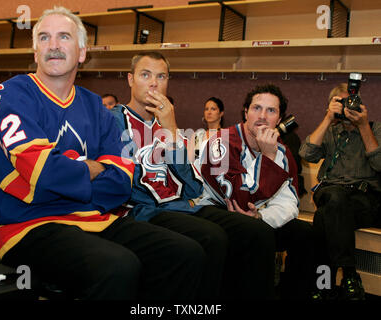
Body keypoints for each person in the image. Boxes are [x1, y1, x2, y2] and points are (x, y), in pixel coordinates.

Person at [0, 7, 207, 300]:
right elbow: (43, 172)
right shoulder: (11, 94)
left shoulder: (95, 106)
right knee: (118, 266)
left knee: (185, 253)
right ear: (35, 52)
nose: (54, 45)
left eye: (64, 37)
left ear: (82, 52)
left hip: (93, 218)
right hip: (27, 226)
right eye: (44, 38)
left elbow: (121, 182)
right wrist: (93, 169)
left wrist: (70, 176)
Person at [110, 51, 277, 300]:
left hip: (181, 206)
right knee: (212, 238)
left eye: (161, 76)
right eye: (145, 75)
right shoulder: (112, 120)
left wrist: (171, 130)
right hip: (141, 209)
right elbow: (118, 184)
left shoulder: (169, 123)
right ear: (130, 79)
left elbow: (192, 188)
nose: (154, 83)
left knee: (257, 232)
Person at [198, 84, 315, 300]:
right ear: (245, 112)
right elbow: (238, 199)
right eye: (256, 108)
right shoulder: (221, 142)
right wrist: (268, 160)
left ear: (279, 119)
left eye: (271, 111)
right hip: (216, 211)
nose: (262, 116)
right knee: (256, 232)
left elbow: (289, 202)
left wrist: (262, 216)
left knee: (305, 234)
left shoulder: (282, 150)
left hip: (256, 216)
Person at [299, 83, 381, 300]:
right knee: (335, 198)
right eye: (342, 103)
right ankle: (350, 275)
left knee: (324, 217)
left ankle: (322, 284)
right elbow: (306, 153)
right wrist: (328, 118)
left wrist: (363, 126)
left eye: (352, 102)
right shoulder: (331, 131)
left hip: (363, 200)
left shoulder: (375, 129)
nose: (348, 108)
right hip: (331, 192)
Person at [189, 97, 225, 161]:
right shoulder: (197, 136)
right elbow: (190, 161)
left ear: (221, 113)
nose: (209, 112)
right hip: (198, 170)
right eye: (206, 109)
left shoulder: (226, 135)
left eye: (213, 109)